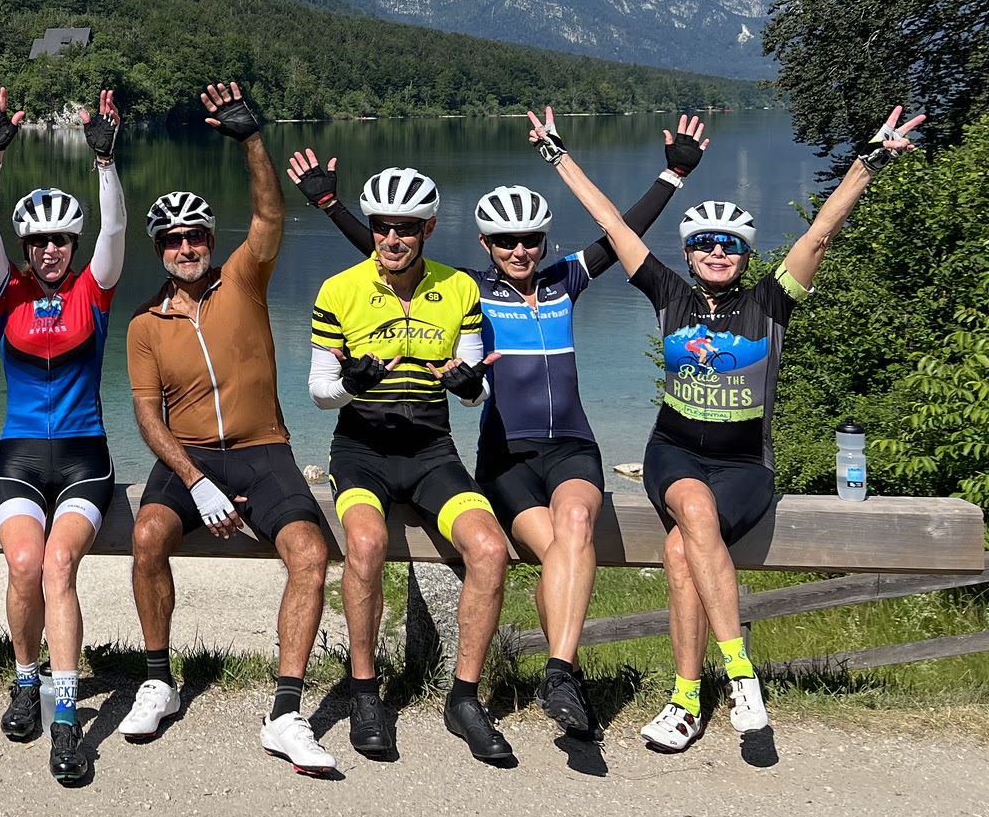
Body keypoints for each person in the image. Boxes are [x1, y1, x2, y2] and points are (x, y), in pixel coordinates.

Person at [288, 115, 709, 735]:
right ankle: (554, 677)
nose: (520, 250)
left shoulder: (565, 280)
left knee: (572, 532)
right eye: (505, 240)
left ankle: (558, 673)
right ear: (486, 245)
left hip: (567, 446)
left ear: (543, 241)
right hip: (503, 453)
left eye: (531, 239)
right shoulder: (474, 289)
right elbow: (392, 252)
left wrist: (673, 174)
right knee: (561, 551)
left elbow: (621, 234)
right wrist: (329, 204)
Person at [528, 103, 922, 752]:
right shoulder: (667, 294)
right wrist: (557, 155)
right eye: (705, 244)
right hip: (674, 454)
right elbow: (608, 222)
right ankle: (741, 674)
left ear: (744, 255)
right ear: (687, 253)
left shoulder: (771, 303)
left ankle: (685, 701)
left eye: (730, 244)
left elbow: (820, 233)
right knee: (693, 509)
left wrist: (869, 161)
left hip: (747, 468)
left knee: (683, 550)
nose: (717, 251)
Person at [124, 83, 337, 775]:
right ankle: (158, 680)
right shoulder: (143, 326)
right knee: (147, 534)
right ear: (158, 250)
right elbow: (147, 418)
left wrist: (252, 140)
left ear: (211, 243)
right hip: (189, 460)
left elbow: (270, 213)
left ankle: (285, 711)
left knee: (309, 553)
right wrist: (195, 482)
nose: (185, 247)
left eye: (195, 237)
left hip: (264, 451)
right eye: (172, 240)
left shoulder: (242, 279)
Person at [305, 165, 516, 763]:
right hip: (360, 449)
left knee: (490, 549)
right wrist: (351, 382)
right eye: (380, 228)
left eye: (405, 228)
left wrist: (470, 385)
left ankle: (465, 698)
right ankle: (365, 689)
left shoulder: (459, 290)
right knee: (366, 544)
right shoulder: (337, 290)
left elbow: (473, 393)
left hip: (430, 451)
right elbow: (320, 392)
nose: (391, 240)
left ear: (427, 229)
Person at [0, 84, 126, 786]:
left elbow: (117, 235)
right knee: (25, 567)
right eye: (39, 242)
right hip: (19, 459)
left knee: (59, 567)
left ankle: (67, 717)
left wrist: (105, 163)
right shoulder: (9, 295)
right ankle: (24, 679)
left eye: (62, 239)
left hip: (86, 460)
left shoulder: (95, 293)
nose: (52, 251)